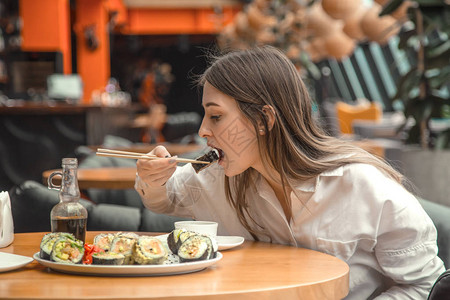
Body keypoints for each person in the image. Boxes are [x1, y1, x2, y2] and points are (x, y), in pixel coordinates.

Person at [135, 46, 444, 299]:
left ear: (263, 119)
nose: (203, 130)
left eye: (216, 116)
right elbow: (165, 197)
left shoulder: (361, 186)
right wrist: (152, 177)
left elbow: (426, 285)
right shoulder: (218, 176)